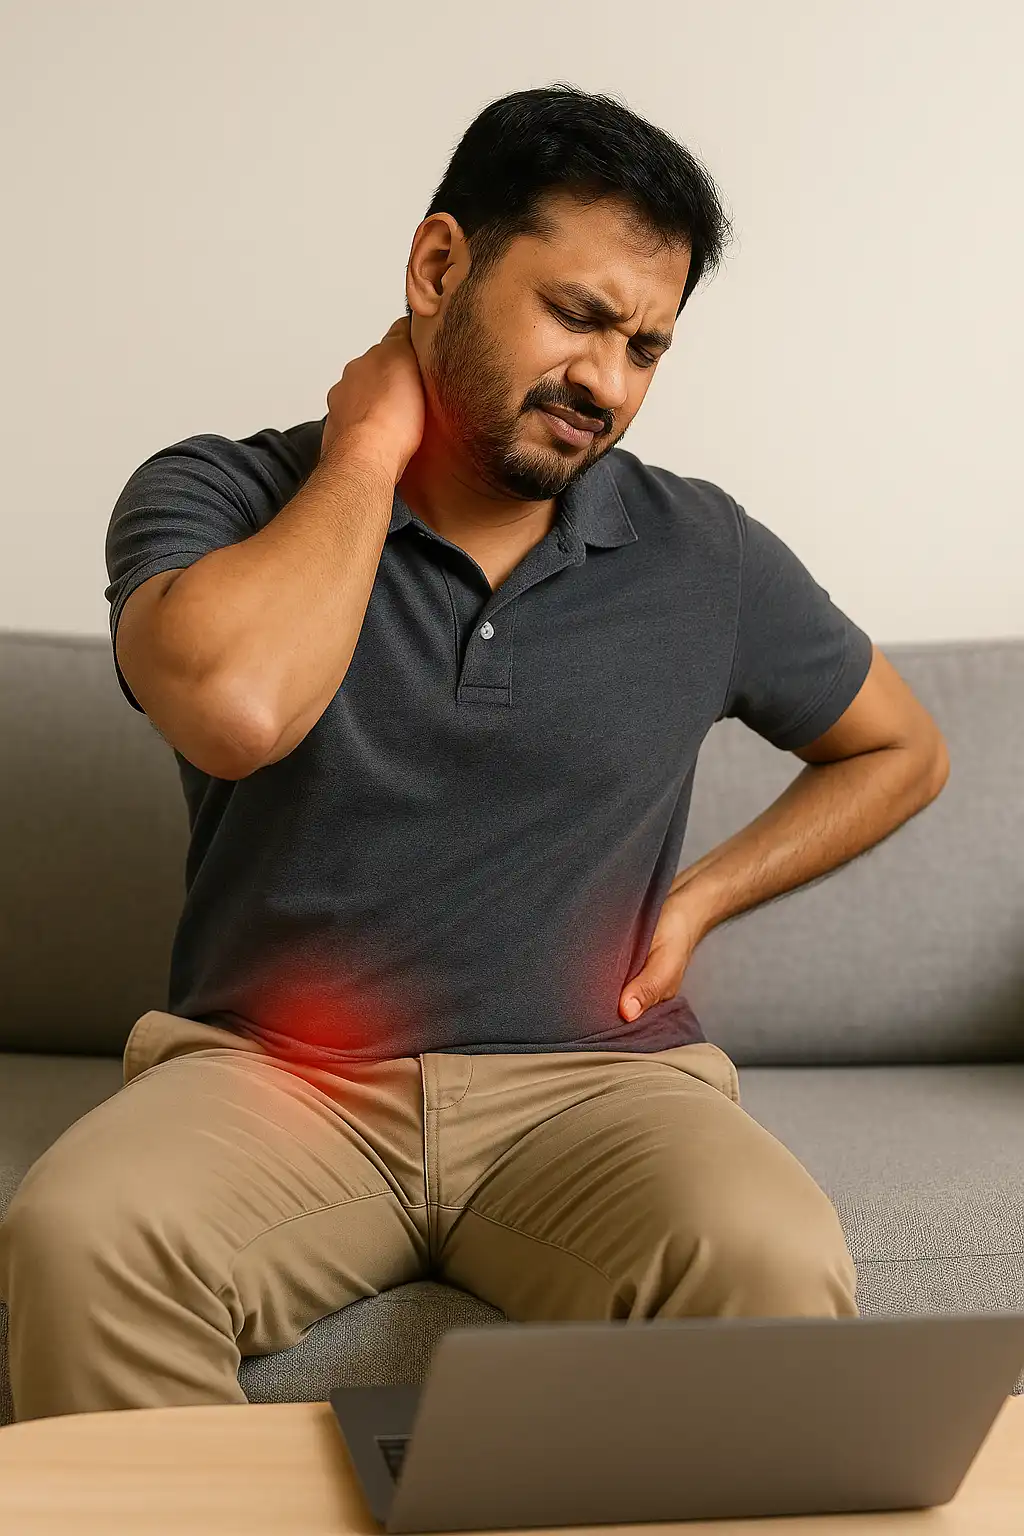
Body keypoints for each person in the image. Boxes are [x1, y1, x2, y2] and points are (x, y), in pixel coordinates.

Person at [0, 84, 948, 1422]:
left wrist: (703, 898)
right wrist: (367, 453)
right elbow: (238, 709)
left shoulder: (704, 553)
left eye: (647, 347)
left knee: (769, 1255)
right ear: (439, 266)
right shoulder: (216, 496)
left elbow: (901, 749)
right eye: (577, 315)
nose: (608, 384)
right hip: (275, 1083)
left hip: (594, 1095)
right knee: (81, 1239)